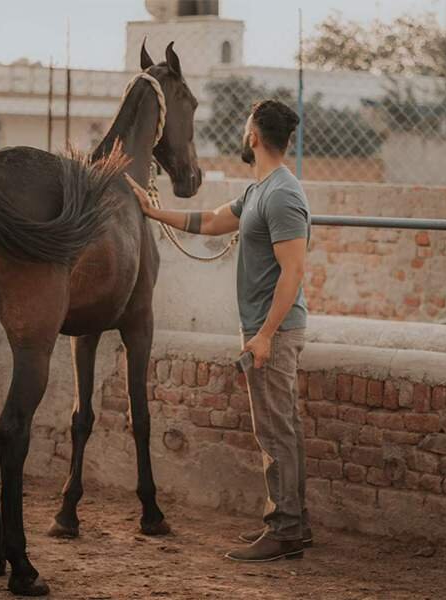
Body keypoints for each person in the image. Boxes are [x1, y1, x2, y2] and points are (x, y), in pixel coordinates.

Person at [125, 99, 312, 563]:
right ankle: (292, 524)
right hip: (268, 329)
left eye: (244, 126)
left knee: (275, 431)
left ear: (253, 136)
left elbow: (294, 272)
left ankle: (285, 529)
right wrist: (155, 212)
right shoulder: (258, 192)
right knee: (281, 427)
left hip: (276, 331)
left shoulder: (283, 195)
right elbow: (209, 221)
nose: (242, 133)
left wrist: (265, 334)